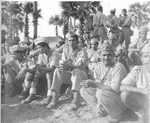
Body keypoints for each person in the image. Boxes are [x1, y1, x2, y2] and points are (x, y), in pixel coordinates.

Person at [80, 42, 128, 123]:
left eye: (109, 55)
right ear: (100, 56)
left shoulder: (118, 67)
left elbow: (115, 89)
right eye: (104, 55)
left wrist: (95, 84)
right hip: (106, 95)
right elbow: (98, 85)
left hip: (119, 98)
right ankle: (101, 109)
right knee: (84, 90)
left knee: (102, 93)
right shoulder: (99, 66)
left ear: (113, 56)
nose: (106, 57)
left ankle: (117, 114)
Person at [40, 33, 88, 110]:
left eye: (73, 40)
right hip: (70, 74)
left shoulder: (82, 50)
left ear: (77, 41)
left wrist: (70, 65)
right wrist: (63, 66)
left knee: (76, 71)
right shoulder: (66, 50)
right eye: (70, 40)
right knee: (57, 71)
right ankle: (54, 100)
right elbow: (63, 62)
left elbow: (82, 66)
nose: (71, 42)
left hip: (81, 76)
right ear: (68, 42)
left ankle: (75, 102)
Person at [20, 38, 57, 104]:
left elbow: (52, 68)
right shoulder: (41, 54)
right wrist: (33, 69)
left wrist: (40, 68)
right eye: (38, 48)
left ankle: (49, 95)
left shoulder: (54, 53)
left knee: (48, 73)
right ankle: (32, 94)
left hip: (56, 72)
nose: (39, 50)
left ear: (45, 47)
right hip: (45, 71)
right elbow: (40, 65)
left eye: (40, 48)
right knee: (35, 73)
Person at [120, 42, 150, 123]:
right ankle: (141, 113)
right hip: (145, 103)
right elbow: (122, 86)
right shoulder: (138, 70)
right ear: (141, 59)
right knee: (125, 94)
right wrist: (141, 90)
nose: (149, 59)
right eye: (146, 56)